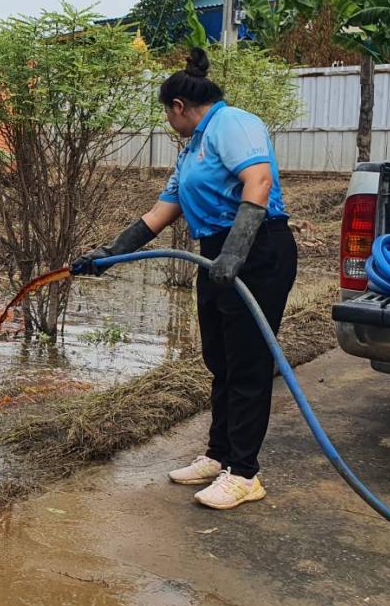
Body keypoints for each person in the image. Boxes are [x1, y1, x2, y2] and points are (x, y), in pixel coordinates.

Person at [74, 47, 297, 510]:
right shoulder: (194, 147)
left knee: (249, 366)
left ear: (178, 106)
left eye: (166, 114)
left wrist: (235, 253)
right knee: (221, 359)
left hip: (257, 251)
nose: (168, 122)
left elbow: (258, 182)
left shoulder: (233, 123)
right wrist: (109, 254)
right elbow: (161, 212)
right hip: (216, 256)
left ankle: (245, 474)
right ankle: (220, 455)